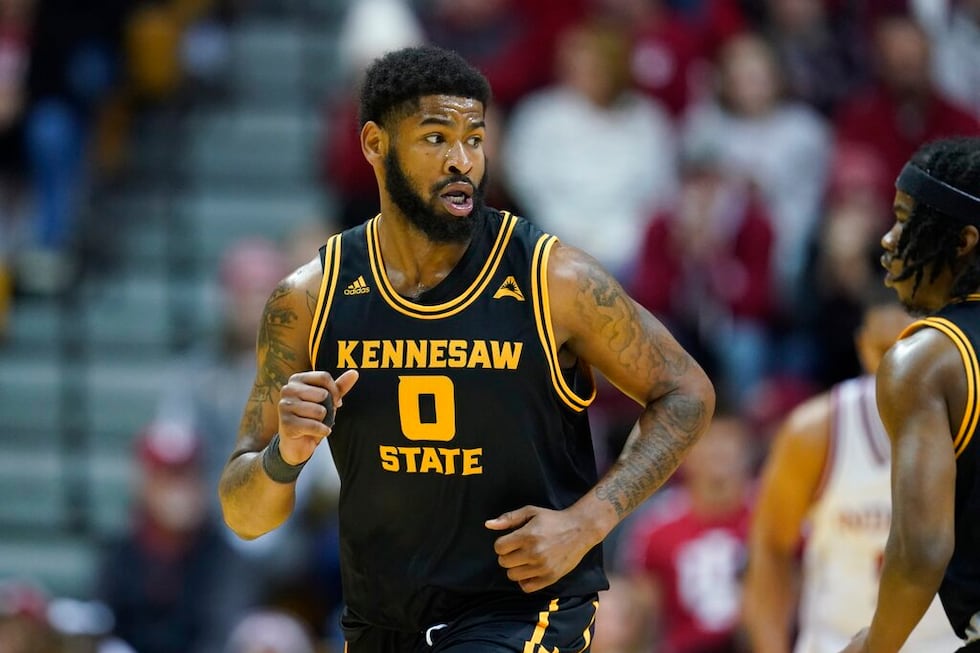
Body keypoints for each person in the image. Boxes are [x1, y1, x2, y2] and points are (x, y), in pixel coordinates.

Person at [217, 44, 715, 652]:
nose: (462, 161)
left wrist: (590, 521)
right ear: (375, 144)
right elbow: (245, 516)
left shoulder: (553, 279)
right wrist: (286, 455)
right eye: (435, 138)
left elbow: (685, 392)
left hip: (522, 610)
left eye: (474, 139)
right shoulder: (308, 298)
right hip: (382, 620)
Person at [741, 297, 961, 652]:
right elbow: (769, 547)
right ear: (862, 347)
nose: (899, 365)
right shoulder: (814, 432)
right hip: (836, 643)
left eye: (914, 348)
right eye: (885, 350)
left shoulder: (971, 424)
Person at [834, 135, 980, 652]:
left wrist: (879, 644)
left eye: (904, 219)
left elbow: (922, 549)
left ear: (963, 241)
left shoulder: (926, 359)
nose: (888, 240)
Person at [619, 414, 756, 653]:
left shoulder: (773, 515)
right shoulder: (656, 526)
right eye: (708, 440)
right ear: (684, 454)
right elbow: (644, 617)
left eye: (727, 439)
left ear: (748, 451)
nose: (718, 451)